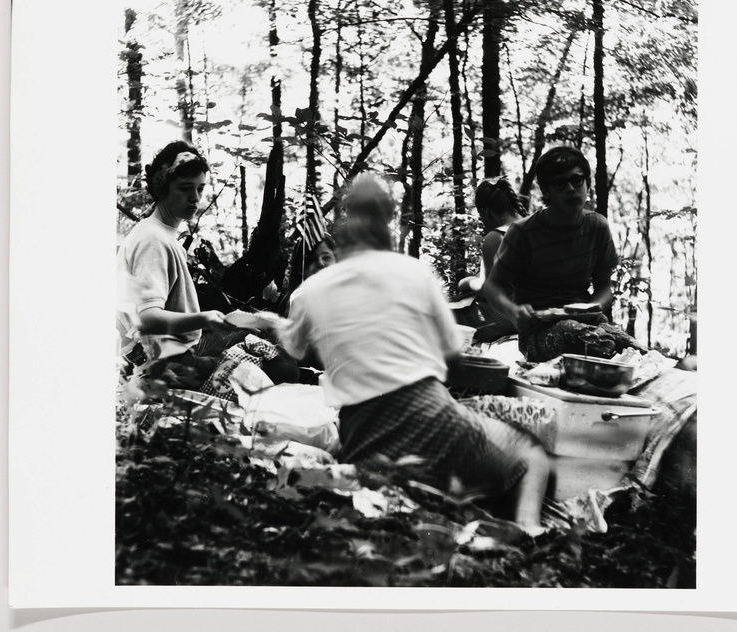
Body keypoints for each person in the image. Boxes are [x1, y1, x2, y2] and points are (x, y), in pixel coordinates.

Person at [260, 173, 552, 535]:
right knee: (532, 453)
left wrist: (269, 322)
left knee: (383, 475)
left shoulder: (310, 291)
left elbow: (292, 351)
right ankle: (529, 528)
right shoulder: (414, 274)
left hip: (363, 439)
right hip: (435, 421)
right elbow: (453, 357)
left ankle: (405, 498)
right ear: (388, 222)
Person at [117, 140, 298, 390]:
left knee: (264, 338)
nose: (195, 198)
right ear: (162, 188)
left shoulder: (160, 234)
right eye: (185, 188)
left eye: (200, 188)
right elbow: (147, 318)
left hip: (178, 349)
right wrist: (204, 319)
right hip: (167, 364)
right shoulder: (152, 240)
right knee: (283, 367)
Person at [482, 146, 644, 362]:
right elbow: (492, 286)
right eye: (560, 183)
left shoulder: (598, 226)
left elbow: (605, 286)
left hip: (588, 321)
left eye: (577, 180)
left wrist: (591, 308)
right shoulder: (522, 232)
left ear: (587, 183)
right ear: (546, 191)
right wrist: (513, 311)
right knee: (599, 344)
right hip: (538, 332)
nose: (571, 189)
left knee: (637, 351)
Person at [457, 178, 525, 342]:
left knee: (451, 315)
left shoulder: (496, 237)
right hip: (535, 310)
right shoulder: (533, 225)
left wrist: (465, 282)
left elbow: (486, 288)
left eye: (481, 215)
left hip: (512, 316)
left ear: (486, 211)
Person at [277, 232, 337, 318]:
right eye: (312, 259)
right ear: (300, 269)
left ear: (336, 261)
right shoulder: (298, 300)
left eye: (326, 257)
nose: (320, 263)